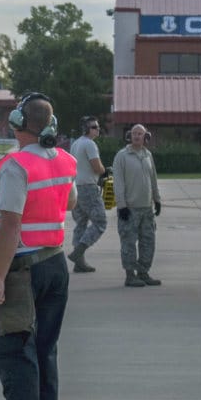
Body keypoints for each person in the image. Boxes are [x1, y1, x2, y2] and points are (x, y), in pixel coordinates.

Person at [0, 93, 77, 400]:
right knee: (44, 352)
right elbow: (68, 203)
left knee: (16, 354)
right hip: (55, 266)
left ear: (18, 122)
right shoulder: (65, 160)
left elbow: (11, 223)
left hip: (23, 270)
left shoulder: (15, 166)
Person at [112, 124, 162, 288]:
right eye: (134, 134)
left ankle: (143, 272)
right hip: (130, 209)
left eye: (140, 134)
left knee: (148, 242)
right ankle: (130, 275)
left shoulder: (148, 154)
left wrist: (157, 199)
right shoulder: (122, 156)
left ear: (145, 136)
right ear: (129, 136)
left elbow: (153, 178)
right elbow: (118, 182)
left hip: (146, 209)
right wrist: (122, 206)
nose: (137, 136)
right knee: (128, 242)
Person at [67, 117, 108, 272]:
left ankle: (79, 264)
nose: (97, 129)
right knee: (100, 222)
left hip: (76, 187)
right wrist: (105, 170)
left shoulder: (76, 143)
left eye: (98, 126)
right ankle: (78, 252)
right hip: (88, 188)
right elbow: (97, 167)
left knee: (81, 224)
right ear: (86, 129)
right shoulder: (90, 144)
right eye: (94, 127)